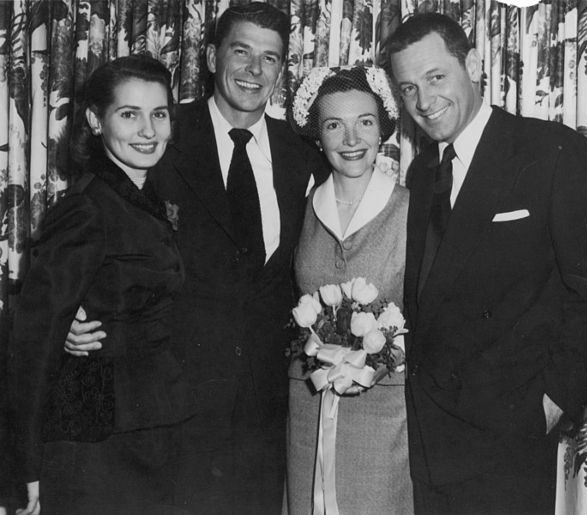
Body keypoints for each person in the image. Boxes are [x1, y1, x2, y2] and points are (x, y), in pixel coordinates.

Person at [65, 3, 329, 514]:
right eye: (241, 52)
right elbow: (93, 223)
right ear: (211, 56)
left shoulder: (304, 157)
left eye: (269, 58)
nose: (254, 70)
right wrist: (73, 308)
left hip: (263, 407)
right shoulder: (158, 133)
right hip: (166, 404)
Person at [385, 12, 587, 515]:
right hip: (429, 437)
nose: (424, 103)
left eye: (435, 77)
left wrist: (550, 404)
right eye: (408, 89)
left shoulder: (554, 152)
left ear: (472, 64)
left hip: (508, 432)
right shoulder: (424, 170)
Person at [8, 55, 194, 515]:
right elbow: (35, 340)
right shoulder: (87, 208)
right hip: (95, 438)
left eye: (159, 114)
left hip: (154, 427)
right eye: (129, 114)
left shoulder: (149, 195)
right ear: (95, 120)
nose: (148, 131)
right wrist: (23, 467)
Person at [285, 66, 413, 514]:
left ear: (382, 132)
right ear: (318, 138)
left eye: (365, 121)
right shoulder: (303, 207)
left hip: (386, 410)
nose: (351, 138)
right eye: (334, 125)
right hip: (309, 404)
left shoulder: (410, 210)